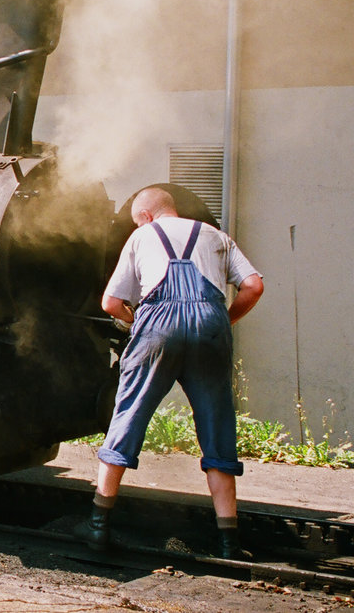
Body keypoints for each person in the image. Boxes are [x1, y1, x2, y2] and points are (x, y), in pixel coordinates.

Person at [89, 187, 263, 559]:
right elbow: (253, 286)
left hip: (158, 326)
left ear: (146, 217)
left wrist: (136, 323)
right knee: (217, 425)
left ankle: (98, 529)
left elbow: (110, 302)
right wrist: (223, 320)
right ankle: (229, 542)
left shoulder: (141, 236)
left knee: (128, 416)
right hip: (210, 329)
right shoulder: (216, 236)